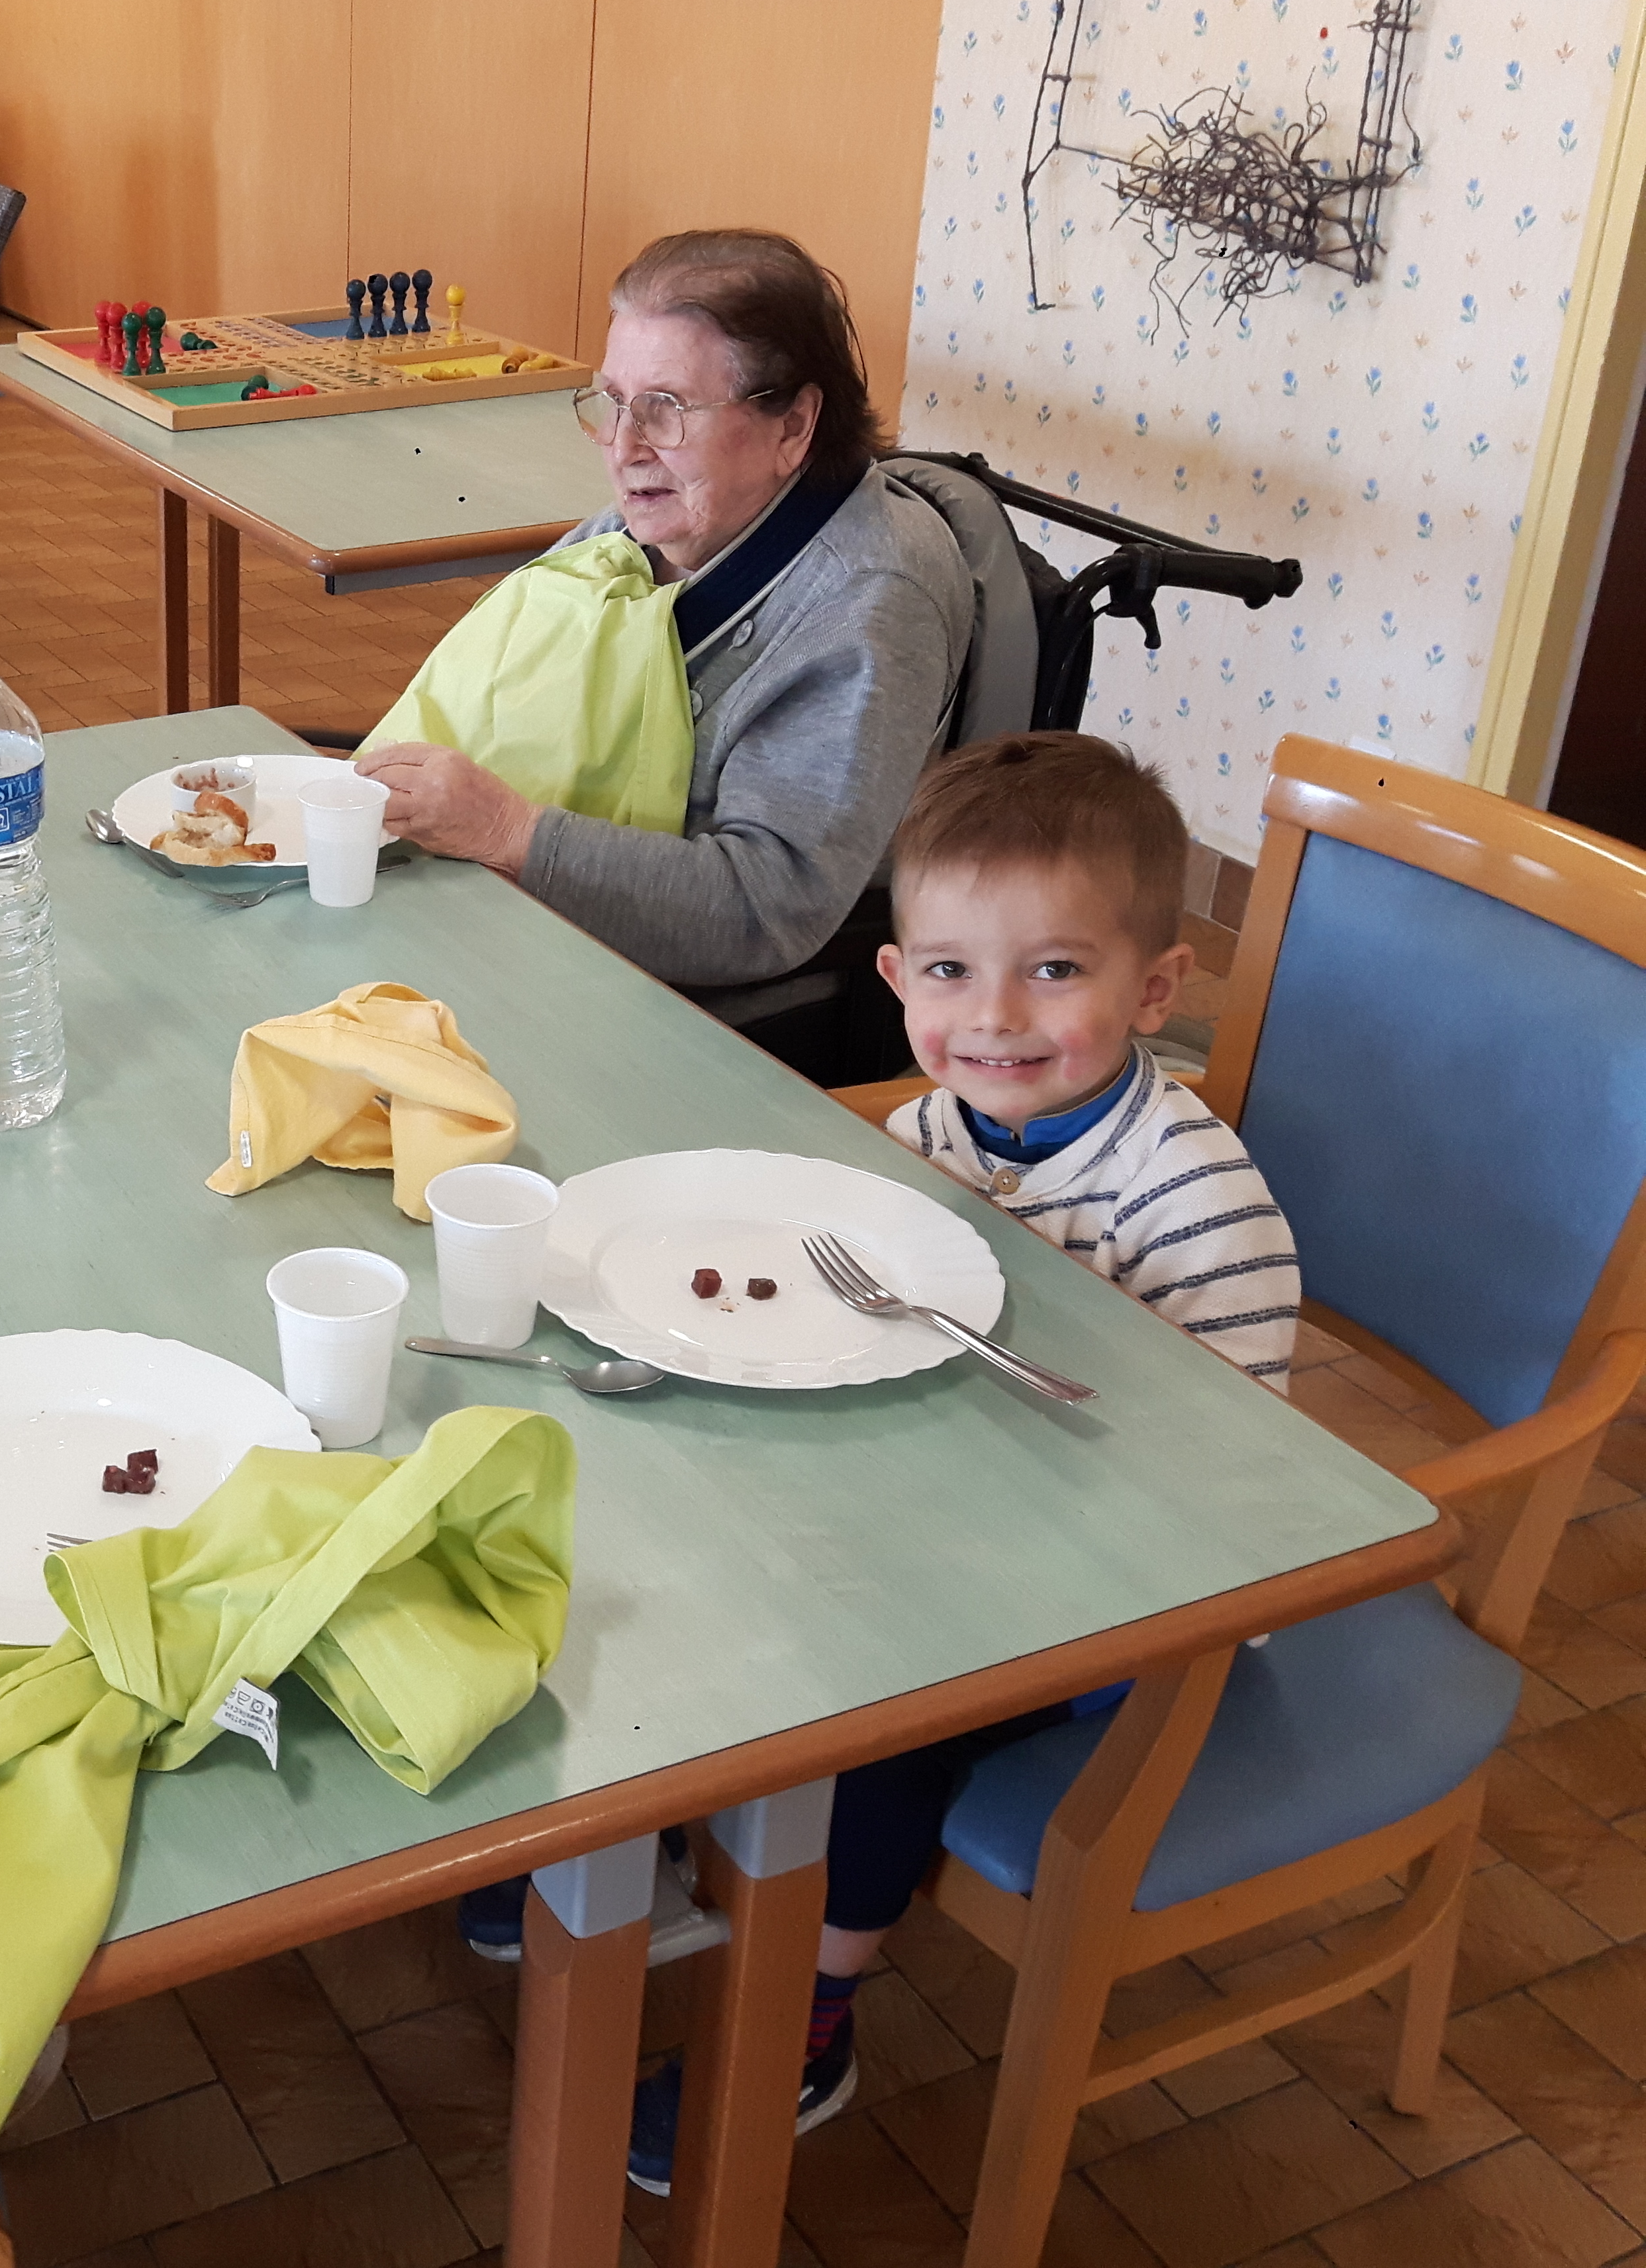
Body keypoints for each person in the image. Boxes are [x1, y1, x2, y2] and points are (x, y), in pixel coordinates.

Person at [460, 736, 1302, 2191]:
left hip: (1133, 1598)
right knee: (681, 1546)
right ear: (901, 979)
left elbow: (1237, 1487)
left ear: (1156, 989)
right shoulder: (927, 1130)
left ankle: (805, 2015)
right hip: (951, 1506)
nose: (996, 1018)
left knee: (877, 1719)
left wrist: (1068, 1344)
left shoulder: (1196, 1203)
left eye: (1055, 971)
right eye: (953, 973)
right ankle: (632, 1848)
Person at [355, 229, 974, 997]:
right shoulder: (647, 531)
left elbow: (766, 908)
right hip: (500, 907)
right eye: (613, 403)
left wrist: (509, 831)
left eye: (667, 409)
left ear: (793, 426)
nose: (623, 447)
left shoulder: (867, 605)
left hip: (650, 987)